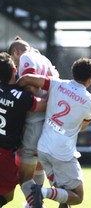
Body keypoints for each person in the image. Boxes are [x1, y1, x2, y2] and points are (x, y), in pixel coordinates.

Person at [16, 57, 91, 208]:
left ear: (73, 72)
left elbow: (27, 78)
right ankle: (42, 192)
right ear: (90, 78)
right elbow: (83, 126)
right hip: (62, 154)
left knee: (64, 196)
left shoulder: (56, 83)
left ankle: (43, 193)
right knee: (77, 197)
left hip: (43, 148)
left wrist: (13, 92)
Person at [8, 36, 59, 207]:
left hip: (34, 120)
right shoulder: (44, 59)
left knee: (24, 174)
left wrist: (17, 90)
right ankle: (36, 203)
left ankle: (35, 203)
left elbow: (30, 85)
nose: (15, 67)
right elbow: (56, 81)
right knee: (39, 166)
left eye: (14, 62)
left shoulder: (25, 57)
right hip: (49, 120)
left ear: (16, 52)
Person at [0, 52, 46, 207]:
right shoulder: (20, 97)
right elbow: (44, 104)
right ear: (15, 71)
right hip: (5, 153)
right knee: (7, 195)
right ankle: (36, 204)